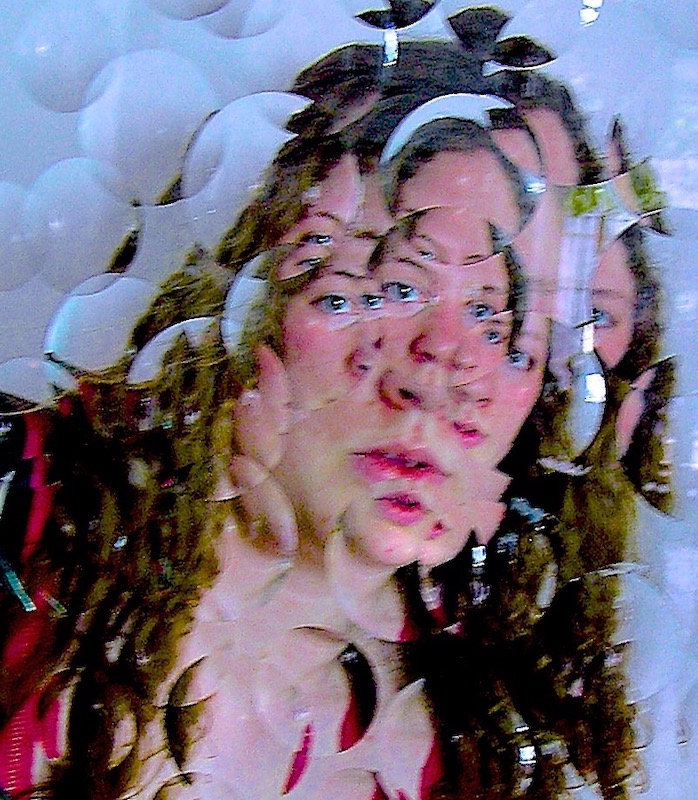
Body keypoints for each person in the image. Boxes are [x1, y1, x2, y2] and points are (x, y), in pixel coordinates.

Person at [0, 16, 664, 800]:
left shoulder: (486, 740)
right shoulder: (26, 500)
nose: (444, 376)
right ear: (259, 282)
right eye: (393, 283)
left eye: (501, 322)